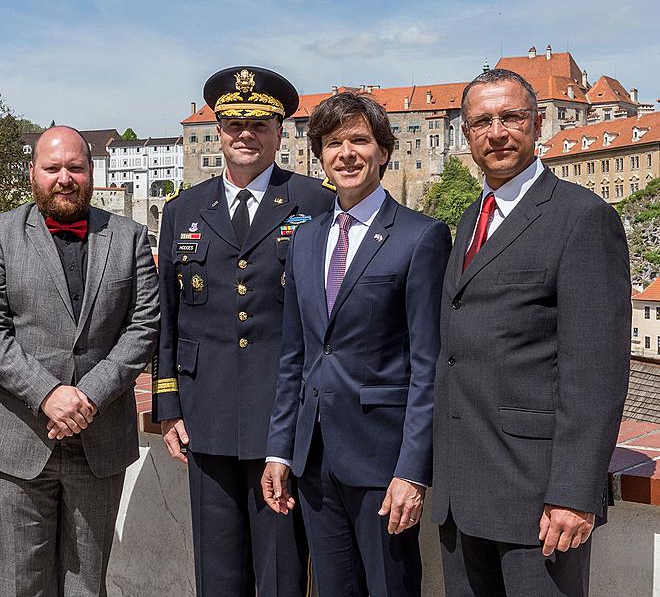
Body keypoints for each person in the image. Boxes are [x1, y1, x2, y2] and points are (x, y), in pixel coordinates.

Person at [431, 69, 631, 597]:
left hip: (537, 500)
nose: (497, 132)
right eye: (482, 121)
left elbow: (596, 373)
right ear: (467, 134)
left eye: (511, 117)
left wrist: (573, 492)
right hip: (462, 494)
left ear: (537, 124)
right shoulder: (473, 216)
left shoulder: (581, 217)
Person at [152, 66, 332, 596]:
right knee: (216, 569)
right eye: (233, 123)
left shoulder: (314, 202)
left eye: (260, 123)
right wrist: (168, 407)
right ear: (219, 131)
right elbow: (167, 314)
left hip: (283, 416)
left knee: (280, 568)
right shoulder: (183, 208)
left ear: (280, 131)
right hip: (204, 415)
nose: (245, 134)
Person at [262, 92, 451, 596]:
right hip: (314, 458)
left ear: (384, 151)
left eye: (359, 140)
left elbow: (427, 365)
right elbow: (294, 357)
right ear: (318, 156)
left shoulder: (420, 236)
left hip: (382, 462)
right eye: (332, 143)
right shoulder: (305, 238)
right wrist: (279, 452)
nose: (346, 153)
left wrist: (413, 470)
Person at [0, 125, 159, 596]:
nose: (64, 178)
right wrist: (48, 394)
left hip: (100, 438)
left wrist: (88, 395)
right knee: (16, 585)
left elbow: (145, 325)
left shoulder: (128, 237)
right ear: (33, 172)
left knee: (86, 585)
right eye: (52, 168)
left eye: (75, 167)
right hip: (16, 437)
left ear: (91, 171)